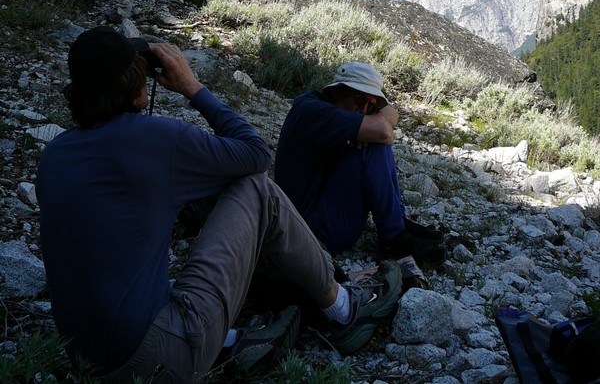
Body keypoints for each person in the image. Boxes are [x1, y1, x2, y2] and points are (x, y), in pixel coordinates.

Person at [36, 27, 404, 382]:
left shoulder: (55, 155)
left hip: (85, 360)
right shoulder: (155, 137)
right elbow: (256, 155)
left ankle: (226, 342)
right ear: (138, 92)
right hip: (157, 360)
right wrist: (191, 87)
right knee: (257, 190)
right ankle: (344, 310)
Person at [274, 61, 446, 265]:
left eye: (371, 105)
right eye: (359, 99)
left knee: (372, 139)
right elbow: (384, 131)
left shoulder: (320, 105)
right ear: (338, 92)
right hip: (312, 230)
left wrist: (373, 113)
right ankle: (394, 239)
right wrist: (372, 125)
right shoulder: (316, 112)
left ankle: (398, 223)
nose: (364, 110)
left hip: (310, 214)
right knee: (374, 146)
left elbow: (392, 114)